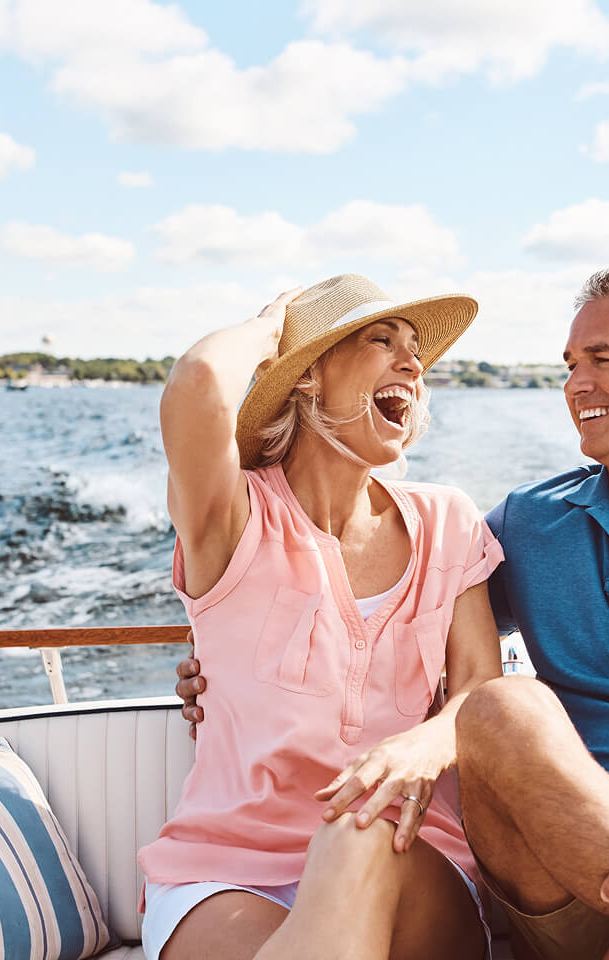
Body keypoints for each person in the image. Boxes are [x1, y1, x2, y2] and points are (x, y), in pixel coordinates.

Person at [178, 266, 609, 959]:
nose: (576, 385)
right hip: (563, 860)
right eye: (571, 365)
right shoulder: (528, 523)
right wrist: (227, 662)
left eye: (603, 360)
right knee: (503, 708)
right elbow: (387, 623)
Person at [140, 274, 503, 960]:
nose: (412, 363)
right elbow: (196, 385)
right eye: (380, 339)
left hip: (408, 858)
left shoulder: (449, 522)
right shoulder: (234, 520)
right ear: (307, 378)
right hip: (226, 872)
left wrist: (427, 744)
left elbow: (482, 688)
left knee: (361, 828)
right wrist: (273, 329)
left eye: (415, 349)